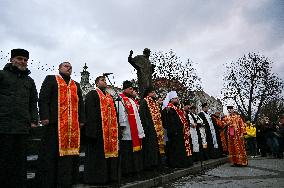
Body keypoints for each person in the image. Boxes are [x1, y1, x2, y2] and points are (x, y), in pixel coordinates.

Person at [37, 62, 85, 187]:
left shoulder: (76, 85)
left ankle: (67, 181)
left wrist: (81, 120)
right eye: (66, 66)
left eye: (70, 67)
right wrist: (44, 116)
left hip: (72, 127)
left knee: (70, 154)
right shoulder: (51, 79)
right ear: (59, 68)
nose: (69, 68)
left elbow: (81, 104)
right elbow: (43, 98)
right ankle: (50, 181)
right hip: (54, 124)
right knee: (52, 153)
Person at [0, 49, 38, 188]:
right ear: (11, 60)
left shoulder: (30, 81)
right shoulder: (2, 75)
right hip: (3, 126)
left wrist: (34, 120)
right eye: (20, 58)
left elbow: (33, 102)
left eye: (25, 60)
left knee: (20, 162)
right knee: (3, 160)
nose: (23, 62)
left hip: (22, 127)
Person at [84, 76, 119, 184]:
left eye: (105, 80)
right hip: (98, 131)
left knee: (109, 156)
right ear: (96, 83)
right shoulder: (92, 94)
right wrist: (91, 131)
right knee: (97, 156)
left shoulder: (109, 96)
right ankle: (97, 179)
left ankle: (110, 177)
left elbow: (115, 113)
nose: (105, 82)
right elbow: (89, 113)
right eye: (102, 80)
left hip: (110, 131)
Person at [116, 80, 145, 176]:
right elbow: (121, 114)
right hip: (127, 131)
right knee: (127, 152)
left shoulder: (132, 100)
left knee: (134, 152)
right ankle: (128, 171)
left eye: (132, 89)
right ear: (125, 89)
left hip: (135, 130)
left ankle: (135, 169)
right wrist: (122, 126)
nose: (132, 91)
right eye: (130, 89)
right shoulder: (121, 99)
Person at [161, 91, 192, 168]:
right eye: (175, 98)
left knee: (180, 149)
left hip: (180, 132)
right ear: (171, 100)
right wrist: (174, 131)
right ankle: (175, 164)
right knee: (175, 149)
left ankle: (182, 163)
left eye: (177, 98)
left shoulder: (177, 109)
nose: (177, 99)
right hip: (174, 133)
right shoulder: (168, 109)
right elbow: (168, 122)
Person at [139, 87, 165, 170]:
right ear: (148, 93)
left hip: (156, 129)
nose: (154, 94)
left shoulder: (154, 102)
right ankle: (151, 164)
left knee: (156, 147)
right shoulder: (144, 101)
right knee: (150, 147)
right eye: (152, 92)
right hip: (150, 129)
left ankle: (158, 163)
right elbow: (143, 116)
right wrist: (147, 127)